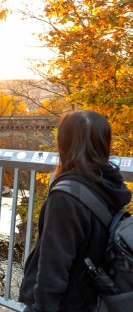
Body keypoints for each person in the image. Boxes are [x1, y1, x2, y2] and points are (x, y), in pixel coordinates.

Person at [19, 110, 132, 311]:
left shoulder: (65, 197)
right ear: (104, 144)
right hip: (94, 300)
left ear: (65, 143)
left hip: (68, 302)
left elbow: (52, 270)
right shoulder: (111, 185)